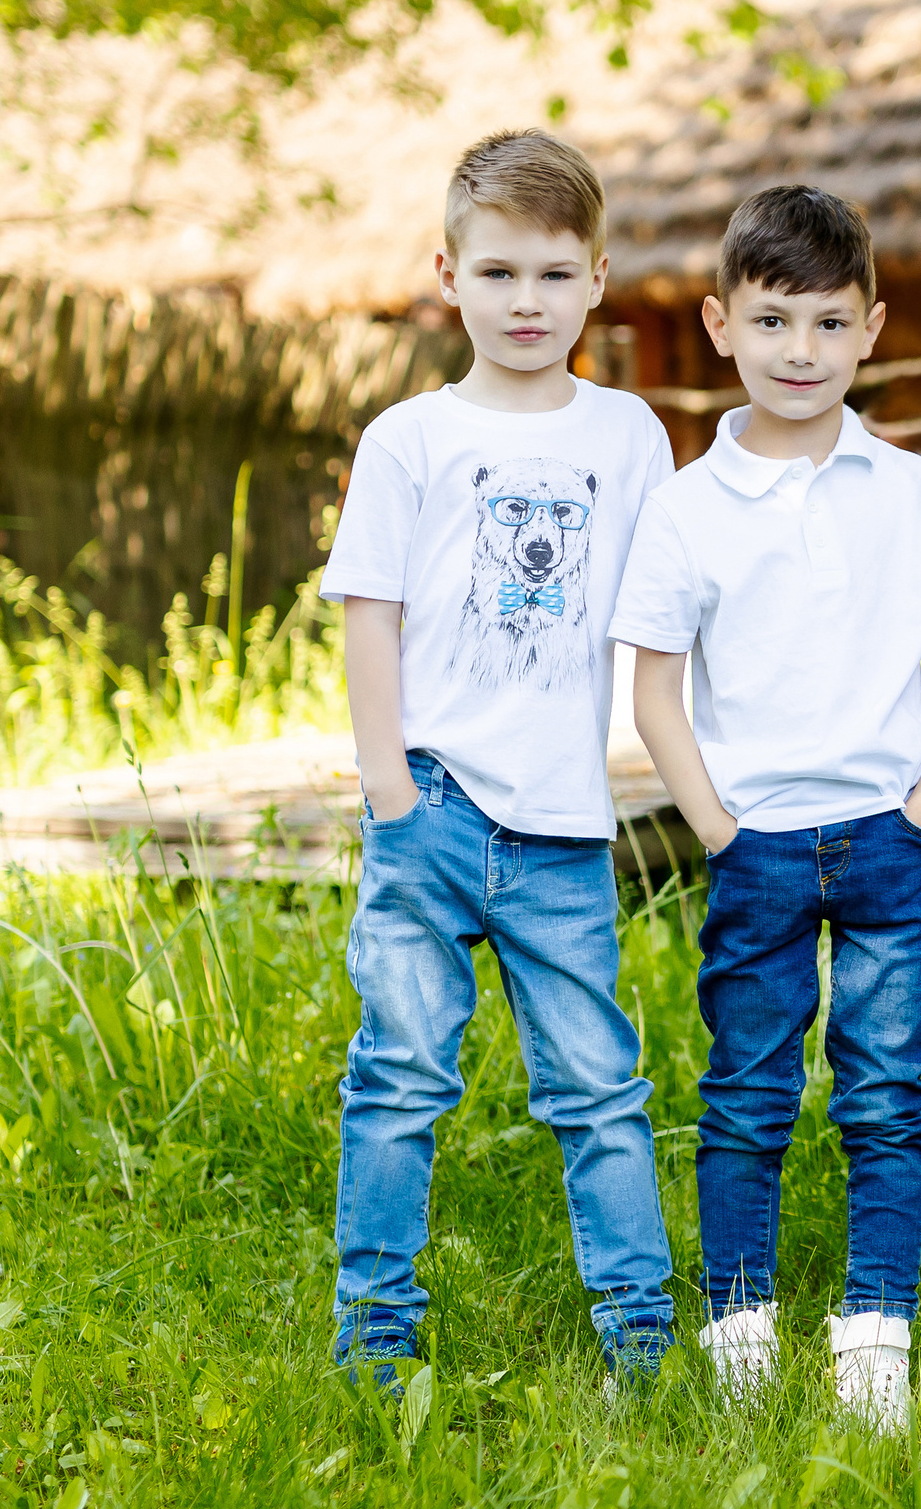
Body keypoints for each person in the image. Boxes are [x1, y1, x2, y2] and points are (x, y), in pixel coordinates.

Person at [611, 185, 921, 1433]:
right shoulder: (685, 506)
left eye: (829, 325)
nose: (800, 353)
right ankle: (740, 1329)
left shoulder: (909, 487)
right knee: (749, 1090)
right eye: (773, 322)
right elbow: (656, 689)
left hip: (889, 840)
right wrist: (720, 827)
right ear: (720, 323)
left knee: (887, 1093)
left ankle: (875, 1334)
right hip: (759, 846)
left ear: (872, 327)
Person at [323, 129, 677, 1392]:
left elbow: (666, 606)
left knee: (597, 1088)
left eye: (550, 275)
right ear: (448, 274)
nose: (524, 303)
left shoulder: (629, 435)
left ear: (593, 279)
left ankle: (641, 1332)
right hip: (432, 803)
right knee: (400, 1077)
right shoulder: (408, 439)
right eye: (497, 274)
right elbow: (372, 613)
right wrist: (389, 788)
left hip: (563, 825)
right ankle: (374, 1330)